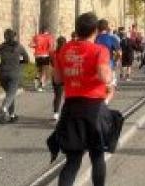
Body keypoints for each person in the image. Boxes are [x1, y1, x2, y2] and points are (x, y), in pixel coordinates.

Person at [54, 12, 112, 186]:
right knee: (97, 156)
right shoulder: (100, 50)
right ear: (95, 31)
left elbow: (57, 79)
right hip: (94, 108)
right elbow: (104, 77)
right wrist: (111, 79)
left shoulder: (64, 49)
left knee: (72, 161)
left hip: (71, 107)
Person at [0, 29, 30, 124]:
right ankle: (4, 108)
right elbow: (27, 59)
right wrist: (19, 62)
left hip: (2, 73)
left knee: (9, 94)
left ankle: (12, 115)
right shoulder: (19, 47)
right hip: (14, 73)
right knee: (11, 94)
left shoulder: (0, 47)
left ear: (5, 37)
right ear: (14, 36)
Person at [95, 20, 121, 93]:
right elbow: (119, 53)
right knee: (109, 85)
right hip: (109, 62)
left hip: (96, 63)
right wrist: (116, 60)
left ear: (97, 28)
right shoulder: (112, 38)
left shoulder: (94, 38)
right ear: (107, 28)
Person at [30, 26, 54, 91]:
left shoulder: (36, 36)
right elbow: (50, 47)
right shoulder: (49, 37)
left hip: (37, 55)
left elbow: (31, 45)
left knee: (38, 70)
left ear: (41, 31)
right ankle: (41, 86)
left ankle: (36, 80)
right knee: (44, 71)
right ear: (47, 31)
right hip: (45, 55)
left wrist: (37, 46)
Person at [50, 36, 68, 121]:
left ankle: (56, 113)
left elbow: (52, 64)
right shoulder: (67, 53)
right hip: (66, 75)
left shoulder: (53, 53)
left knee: (57, 95)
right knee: (68, 96)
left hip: (55, 75)